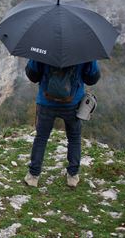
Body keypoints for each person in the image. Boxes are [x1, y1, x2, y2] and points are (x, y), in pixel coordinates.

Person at [23, 60, 100, 188]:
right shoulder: (84, 50)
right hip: (73, 103)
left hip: (46, 102)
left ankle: (33, 176)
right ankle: (72, 176)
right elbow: (92, 78)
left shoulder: (44, 45)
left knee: (41, 138)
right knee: (74, 139)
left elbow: (33, 75)